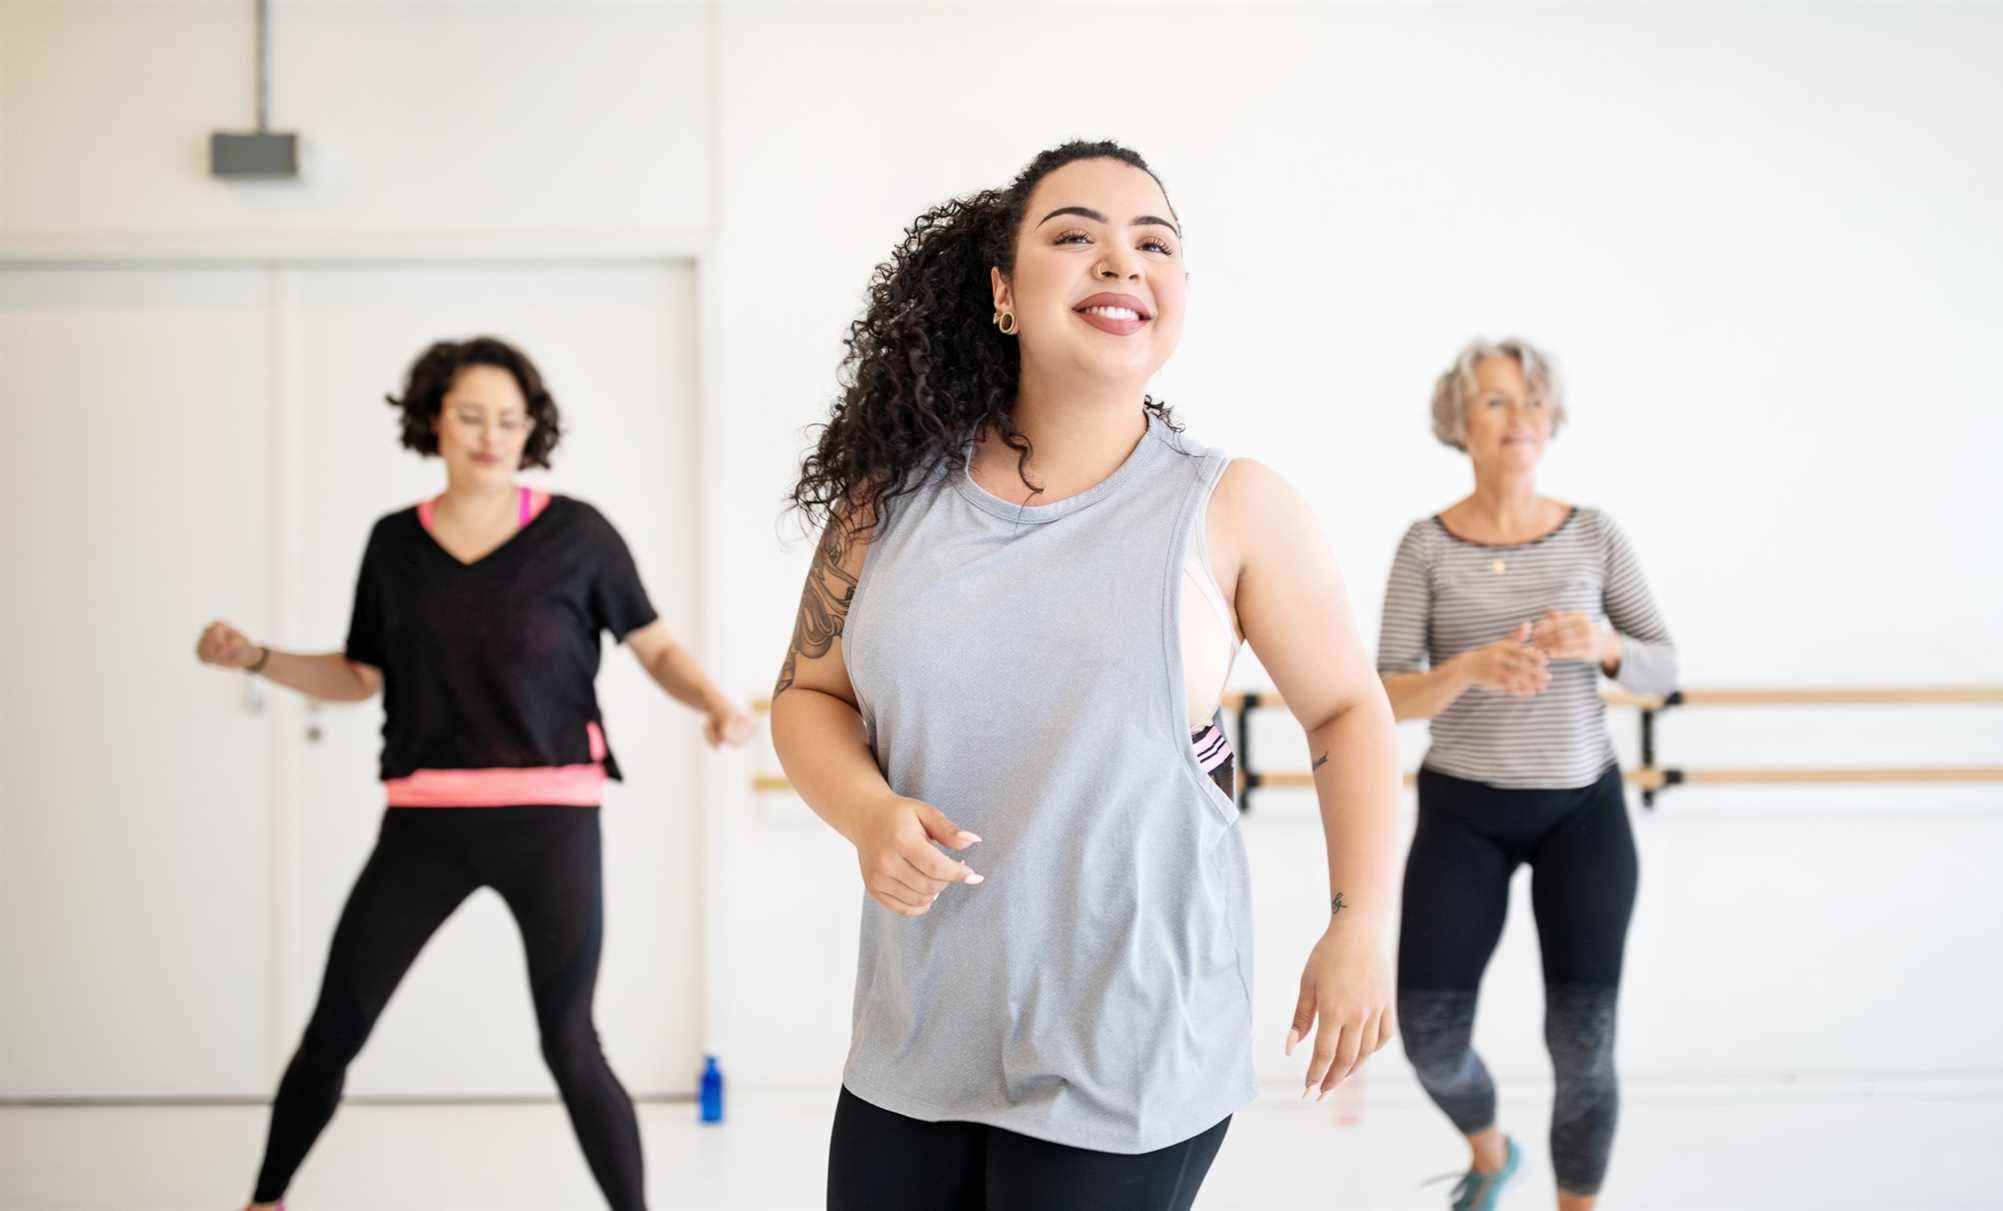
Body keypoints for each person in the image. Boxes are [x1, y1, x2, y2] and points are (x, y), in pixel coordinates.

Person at [770, 140, 1400, 1211]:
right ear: (1005, 292)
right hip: (914, 1039)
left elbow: (1346, 710)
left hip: (1132, 1044)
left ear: (1179, 295)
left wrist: (1361, 924)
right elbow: (808, 696)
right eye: (1076, 237)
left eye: (1153, 243)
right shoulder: (885, 499)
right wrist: (869, 811)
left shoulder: (1234, 508)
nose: (1121, 261)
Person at [195, 336, 754, 1211]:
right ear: (433, 421)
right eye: (470, 416)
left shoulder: (579, 534)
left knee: (570, 1041)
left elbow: (656, 646)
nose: (490, 434)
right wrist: (259, 657)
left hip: (552, 821)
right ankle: (263, 1200)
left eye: (509, 419)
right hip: (424, 826)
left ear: (531, 430)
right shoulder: (392, 545)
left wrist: (716, 703)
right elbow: (358, 674)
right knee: (335, 1027)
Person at [1377, 338, 1676, 1210]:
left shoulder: (1594, 534)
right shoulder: (1424, 547)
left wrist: (1607, 644)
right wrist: (1466, 669)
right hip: (1464, 810)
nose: (1521, 419)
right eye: (1498, 402)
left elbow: (1664, 668)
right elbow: (1387, 694)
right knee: (1430, 1037)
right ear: (1459, 421)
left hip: (1583, 810)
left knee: (1583, 1044)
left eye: (1533, 402)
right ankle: (1490, 1150)